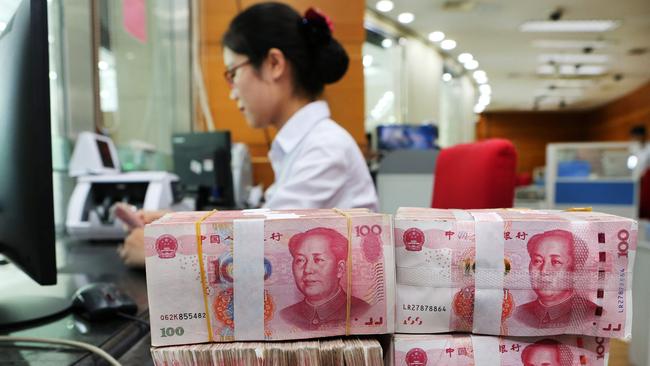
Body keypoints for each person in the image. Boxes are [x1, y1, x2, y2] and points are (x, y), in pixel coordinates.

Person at [119, 3, 378, 267]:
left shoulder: (324, 148)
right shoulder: (309, 143)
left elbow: (263, 251)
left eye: (233, 73)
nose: (232, 92)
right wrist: (176, 222)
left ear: (274, 64)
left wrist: (160, 252)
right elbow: (262, 224)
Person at [279, 227, 370, 330]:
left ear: (340, 269)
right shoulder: (284, 316)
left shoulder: (363, 312)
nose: (307, 270)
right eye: (300, 260)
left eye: (318, 260)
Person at [514, 229, 600, 328]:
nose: (544, 271)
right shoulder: (517, 314)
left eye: (556, 262)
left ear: (576, 272)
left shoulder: (595, 316)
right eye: (537, 261)